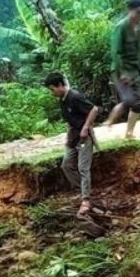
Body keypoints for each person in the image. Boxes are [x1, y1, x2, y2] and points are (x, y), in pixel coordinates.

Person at [44, 72, 99, 215]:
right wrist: (69, 136)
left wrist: (86, 128)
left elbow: (94, 109)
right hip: (73, 137)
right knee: (66, 165)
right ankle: (80, 190)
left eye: (52, 89)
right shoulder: (62, 100)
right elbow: (70, 120)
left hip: (84, 137)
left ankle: (86, 200)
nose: (52, 93)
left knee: (83, 167)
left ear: (60, 85)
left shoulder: (75, 96)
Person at [104, 0, 140, 141]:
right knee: (132, 100)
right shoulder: (122, 27)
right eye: (138, 12)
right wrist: (123, 72)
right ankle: (115, 124)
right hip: (120, 71)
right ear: (130, 11)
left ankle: (126, 132)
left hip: (134, 71)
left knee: (136, 103)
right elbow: (116, 52)